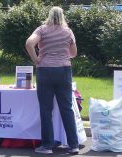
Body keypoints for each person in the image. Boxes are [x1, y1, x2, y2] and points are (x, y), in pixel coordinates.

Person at [25, 6, 79, 154]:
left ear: (49, 15)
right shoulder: (68, 31)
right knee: (66, 109)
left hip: (45, 71)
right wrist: (62, 52)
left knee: (46, 110)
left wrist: (36, 59)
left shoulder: (42, 29)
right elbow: (73, 53)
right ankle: (74, 145)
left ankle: (47, 146)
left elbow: (29, 44)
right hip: (63, 71)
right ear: (62, 16)